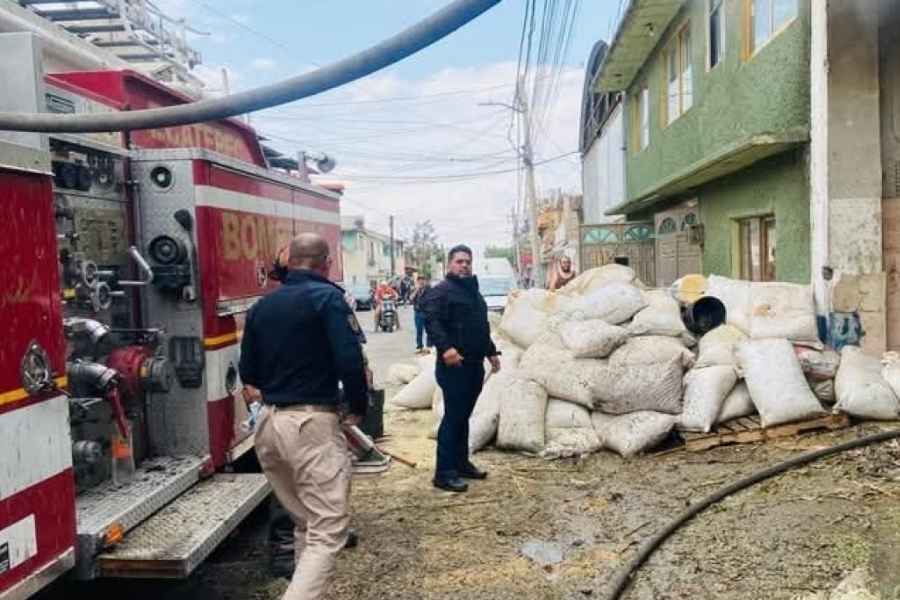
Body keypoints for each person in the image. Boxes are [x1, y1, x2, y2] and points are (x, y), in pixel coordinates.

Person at [240, 233, 367, 600]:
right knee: (329, 531)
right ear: (325, 263)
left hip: (268, 425)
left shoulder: (261, 307)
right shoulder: (327, 298)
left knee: (306, 524)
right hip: (310, 424)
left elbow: (250, 372)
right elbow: (349, 360)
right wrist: (357, 406)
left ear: (291, 261)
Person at [422, 245, 501, 493]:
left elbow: (481, 327)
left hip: (475, 364)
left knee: (462, 416)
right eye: (459, 261)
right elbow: (432, 322)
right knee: (454, 417)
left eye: (467, 261)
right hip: (454, 366)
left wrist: (491, 351)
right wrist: (445, 349)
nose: (464, 265)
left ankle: (461, 463)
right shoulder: (441, 292)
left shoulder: (473, 294)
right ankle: (444, 473)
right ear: (449, 264)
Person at [409, 275, 431, 354]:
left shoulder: (429, 290)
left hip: (426, 312)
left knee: (428, 330)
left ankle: (428, 347)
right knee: (419, 330)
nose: (421, 282)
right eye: (419, 280)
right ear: (417, 282)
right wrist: (416, 290)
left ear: (425, 281)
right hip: (417, 312)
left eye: (423, 280)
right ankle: (420, 347)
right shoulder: (415, 290)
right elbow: (411, 298)